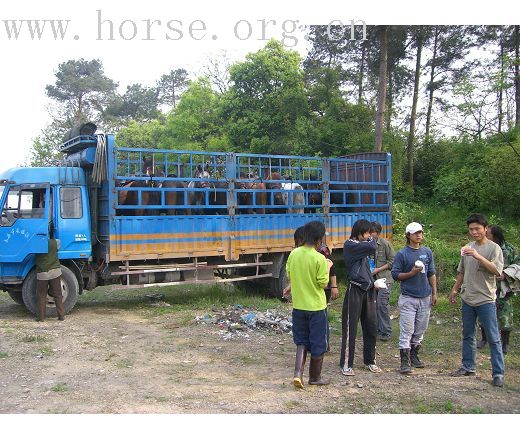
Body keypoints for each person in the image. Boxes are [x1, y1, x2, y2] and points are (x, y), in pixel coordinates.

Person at [449, 213, 505, 387]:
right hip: (468, 298)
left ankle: (498, 373)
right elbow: (462, 271)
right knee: (468, 335)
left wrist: (478, 256)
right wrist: (455, 289)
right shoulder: (466, 248)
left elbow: (497, 271)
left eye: (477, 229)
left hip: (486, 299)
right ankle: (468, 366)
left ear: (485, 229)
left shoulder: (494, 249)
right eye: (471, 229)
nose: (474, 232)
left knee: (493, 337)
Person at [286, 221, 333, 388]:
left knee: (301, 340)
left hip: (298, 306)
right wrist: (328, 267)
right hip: (316, 308)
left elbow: (290, 274)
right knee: (318, 341)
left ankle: (298, 374)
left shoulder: (294, 254)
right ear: (319, 239)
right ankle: (315, 377)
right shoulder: (320, 258)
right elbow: (322, 283)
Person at [391, 222, 437, 374]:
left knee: (420, 329)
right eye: (415, 233)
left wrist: (434, 292)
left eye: (420, 232)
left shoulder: (427, 252)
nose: (418, 235)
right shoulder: (402, 254)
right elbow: (395, 275)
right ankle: (404, 362)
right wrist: (411, 273)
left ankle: (414, 355)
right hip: (408, 297)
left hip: (425, 296)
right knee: (407, 329)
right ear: (408, 235)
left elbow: (431, 273)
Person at [339, 219, 382, 376]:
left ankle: (370, 361)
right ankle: (346, 364)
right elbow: (371, 246)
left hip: (369, 290)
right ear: (359, 232)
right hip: (355, 290)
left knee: (371, 327)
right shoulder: (351, 245)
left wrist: (373, 283)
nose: (370, 236)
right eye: (368, 233)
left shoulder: (362, 246)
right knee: (350, 328)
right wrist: (371, 238)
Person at [476, 225, 519, 354]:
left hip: (503, 289)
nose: (485, 236)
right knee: (483, 314)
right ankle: (484, 339)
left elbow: (518, 265)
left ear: (495, 236)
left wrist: (506, 274)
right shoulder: (483, 247)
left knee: (505, 315)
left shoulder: (510, 249)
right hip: (486, 287)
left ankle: (505, 343)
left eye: (488, 234)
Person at [370, 221, 396, 341]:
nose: (371, 235)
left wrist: (377, 270)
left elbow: (392, 262)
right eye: (369, 232)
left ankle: (386, 331)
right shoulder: (367, 245)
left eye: (373, 232)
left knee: (382, 304)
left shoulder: (385, 244)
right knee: (373, 305)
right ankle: (377, 329)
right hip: (372, 280)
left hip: (385, 279)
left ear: (378, 233)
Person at [35, 230, 65, 322]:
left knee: (41, 296)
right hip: (55, 272)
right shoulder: (55, 242)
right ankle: (61, 316)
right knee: (58, 295)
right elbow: (59, 242)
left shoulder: (36, 244)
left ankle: (41, 318)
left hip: (42, 273)